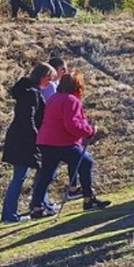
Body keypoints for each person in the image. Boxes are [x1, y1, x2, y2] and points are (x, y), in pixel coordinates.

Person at [28, 73, 111, 216]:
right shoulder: (71, 100)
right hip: (62, 141)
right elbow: (71, 124)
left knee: (46, 174)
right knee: (86, 162)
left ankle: (37, 207)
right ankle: (88, 199)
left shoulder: (54, 98)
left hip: (45, 141)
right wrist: (90, 130)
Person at [1, 62, 58, 223]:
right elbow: (28, 119)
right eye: (50, 79)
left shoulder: (29, 91)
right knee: (22, 177)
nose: (50, 83)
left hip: (22, 139)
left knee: (24, 176)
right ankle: (12, 214)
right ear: (43, 76)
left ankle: (38, 205)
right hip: (24, 141)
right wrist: (37, 138)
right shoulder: (31, 93)